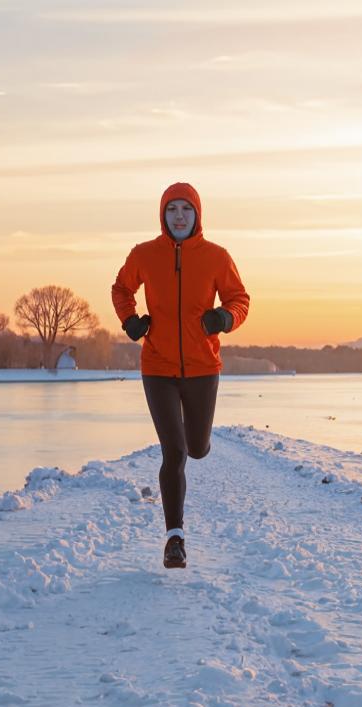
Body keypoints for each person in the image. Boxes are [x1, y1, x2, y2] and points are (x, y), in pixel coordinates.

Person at [111, 182, 250, 569]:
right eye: (171, 210)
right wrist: (130, 321)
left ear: (197, 215)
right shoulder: (144, 254)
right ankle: (175, 539)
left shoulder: (216, 257)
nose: (178, 217)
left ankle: (198, 444)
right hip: (157, 367)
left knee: (196, 448)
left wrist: (224, 318)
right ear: (162, 215)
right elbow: (122, 288)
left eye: (185, 210)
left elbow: (240, 300)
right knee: (173, 453)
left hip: (203, 369)